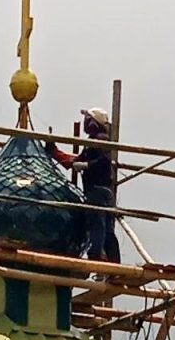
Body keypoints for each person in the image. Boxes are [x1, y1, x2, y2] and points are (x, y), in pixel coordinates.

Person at [48, 107, 121, 264]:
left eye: (87, 120)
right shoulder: (91, 143)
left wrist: (86, 165)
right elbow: (75, 161)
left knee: (97, 223)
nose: (85, 123)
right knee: (107, 229)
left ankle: (96, 255)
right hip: (103, 192)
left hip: (97, 191)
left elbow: (104, 162)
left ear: (93, 123)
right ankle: (114, 262)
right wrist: (55, 152)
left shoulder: (100, 139)